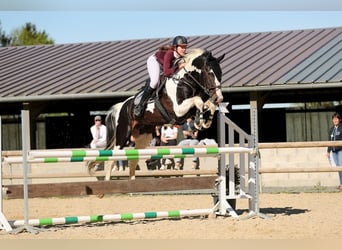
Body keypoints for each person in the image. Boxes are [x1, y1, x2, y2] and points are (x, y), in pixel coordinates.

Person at [133, 35, 188, 117]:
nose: (184, 49)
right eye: (182, 47)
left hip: (163, 65)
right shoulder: (169, 54)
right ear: (175, 47)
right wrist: (178, 66)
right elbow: (166, 73)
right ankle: (140, 105)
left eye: (185, 47)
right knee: (155, 82)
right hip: (154, 61)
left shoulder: (182, 56)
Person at [327, 112, 342, 190]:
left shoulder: (341, 127)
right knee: (338, 168)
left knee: (341, 166)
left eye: (336, 119)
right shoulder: (331, 129)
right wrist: (328, 151)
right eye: (334, 119)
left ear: (339, 119)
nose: (335, 120)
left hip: (340, 150)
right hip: (334, 151)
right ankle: (341, 184)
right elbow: (329, 141)